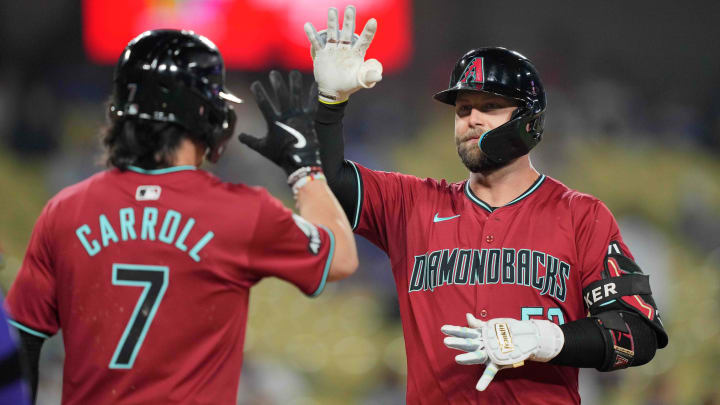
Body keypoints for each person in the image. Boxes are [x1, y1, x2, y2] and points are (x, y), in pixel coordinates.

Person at [296, 5, 669, 404]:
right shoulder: (412, 204)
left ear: (529, 120)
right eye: (462, 109)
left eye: (489, 107)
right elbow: (324, 182)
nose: (471, 119)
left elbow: (638, 332)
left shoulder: (581, 215)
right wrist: (329, 105)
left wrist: (550, 339)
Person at [4, 29, 358, 404]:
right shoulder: (242, 211)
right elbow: (341, 258)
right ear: (206, 114)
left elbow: (21, 341)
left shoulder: (65, 210)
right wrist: (305, 168)